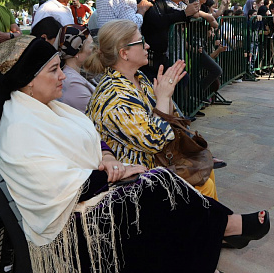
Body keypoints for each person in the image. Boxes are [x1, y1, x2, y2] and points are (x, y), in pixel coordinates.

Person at [0, 35, 270, 273]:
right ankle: (225, 227)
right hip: (66, 226)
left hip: (91, 195)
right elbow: (55, 187)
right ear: (28, 81)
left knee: (161, 187)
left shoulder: (49, 108)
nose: (63, 76)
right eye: (54, 70)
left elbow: (90, 138)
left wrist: (109, 159)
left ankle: (219, 229)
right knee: (157, 189)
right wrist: (115, 171)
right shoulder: (21, 128)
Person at [84, 19, 220, 199]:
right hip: (131, 182)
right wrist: (163, 97)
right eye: (141, 42)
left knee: (206, 173)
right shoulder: (116, 97)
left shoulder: (137, 77)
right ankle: (220, 226)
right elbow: (156, 140)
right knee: (205, 188)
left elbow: (168, 119)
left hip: (154, 165)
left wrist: (167, 94)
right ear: (124, 53)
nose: (147, 46)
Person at [132, 0, 199, 81]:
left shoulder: (159, 2)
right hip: (148, 61)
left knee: (183, 79)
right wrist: (185, 13)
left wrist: (189, 12)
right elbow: (158, 22)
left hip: (162, 58)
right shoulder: (140, 3)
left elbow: (174, 14)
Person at [58, 24, 96, 112]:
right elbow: (97, 113)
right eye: (90, 46)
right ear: (76, 53)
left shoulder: (75, 74)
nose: (94, 49)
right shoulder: (72, 83)